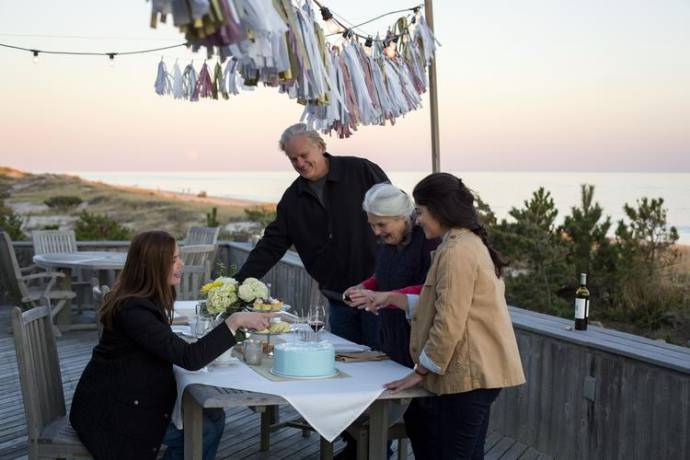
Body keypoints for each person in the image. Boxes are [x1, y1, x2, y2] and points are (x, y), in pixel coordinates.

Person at [69, 230, 273, 460]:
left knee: (214, 415)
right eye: (173, 259)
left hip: (128, 397)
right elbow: (190, 358)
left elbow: (172, 349)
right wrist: (234, 321)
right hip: (112, 413)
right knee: (206, 428)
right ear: (153, 265)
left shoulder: (140, 301)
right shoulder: (133, 310)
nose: (181, 264)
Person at [384, 173, 526, 460]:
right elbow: (444, 306)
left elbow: (449, 322)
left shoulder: (456, 251)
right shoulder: (465, 243)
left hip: (468, 378)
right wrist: (391, 299)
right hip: (476, 377)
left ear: (438, 209)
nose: (418, 219)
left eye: (421, 212)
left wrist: (420, 371)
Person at [234, 123, 389, 349]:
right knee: (349, 364)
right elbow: (270, 246)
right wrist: (237, 284)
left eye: (304, 155)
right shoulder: (292, 199)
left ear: (321, 146)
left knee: (385, 366)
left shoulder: (361, 170)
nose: (300, 164)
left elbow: (397, 213)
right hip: (339, 299)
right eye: (293, 159)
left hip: (379, 295)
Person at [343, 183, 440, 368]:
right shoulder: (390, 240)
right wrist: (363, 287)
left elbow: (432, 288)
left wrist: (384, 297)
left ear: (402, 217)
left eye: (381, 225)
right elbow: (382, 276)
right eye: (372, 225)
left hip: (419, 342)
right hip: (390, 338)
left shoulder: (429, 241)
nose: (376, 232)